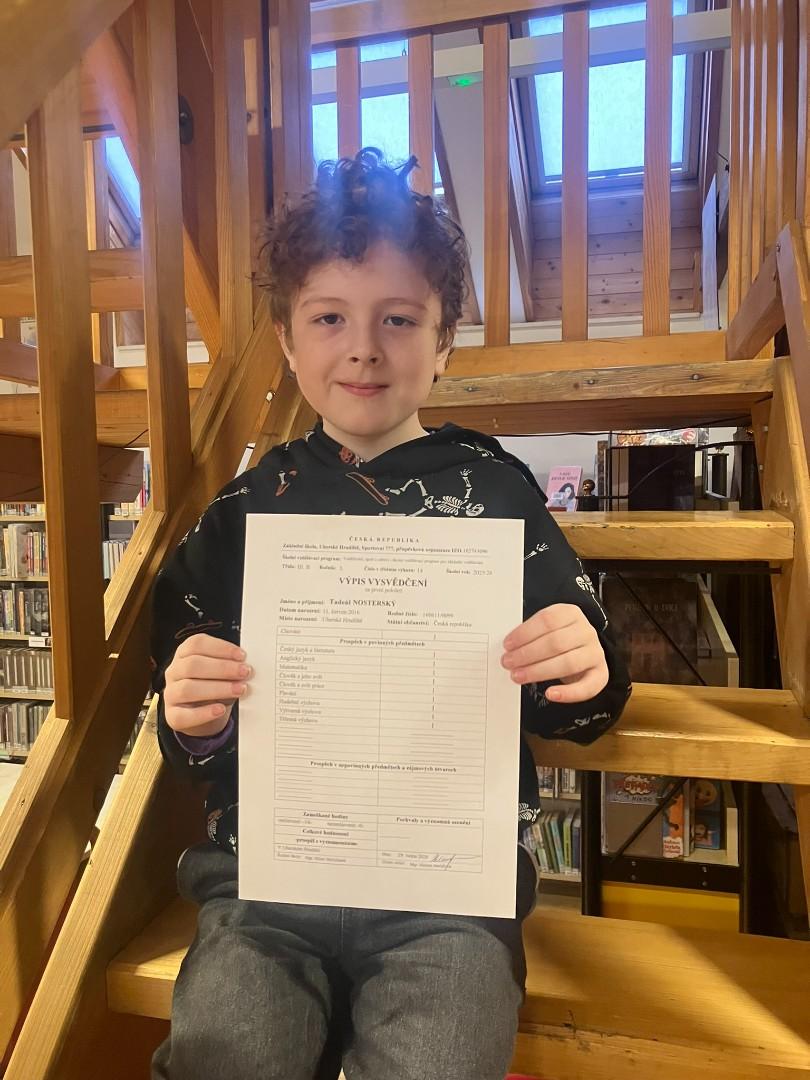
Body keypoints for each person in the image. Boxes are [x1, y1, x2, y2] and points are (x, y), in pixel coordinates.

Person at [150, 149, 632, 1080]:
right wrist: (195, 714)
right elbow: (185, 695)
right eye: (329, 317)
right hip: (266, 884)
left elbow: (573, 690)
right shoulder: (245, 511)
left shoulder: (496, 491)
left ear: (444, 342)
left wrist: (583, 663)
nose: (364, 347)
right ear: (288, 341)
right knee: (225, 1053)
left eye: (399, 319)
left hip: (446, 896)